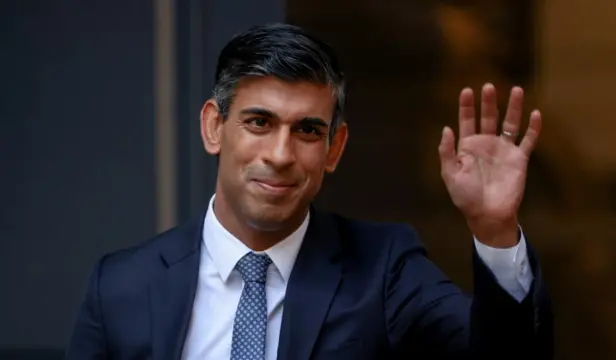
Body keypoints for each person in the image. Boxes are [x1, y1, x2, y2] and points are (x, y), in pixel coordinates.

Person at [66, 23, 553, 360]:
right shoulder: (121, 287)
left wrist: (494, 230)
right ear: (215, 128)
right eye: (259, 122)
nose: (280, 154)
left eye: (307, 131)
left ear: (334, 147)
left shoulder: (383, 271)